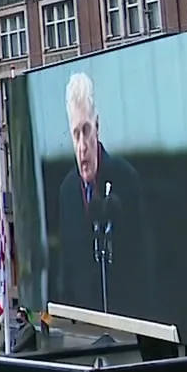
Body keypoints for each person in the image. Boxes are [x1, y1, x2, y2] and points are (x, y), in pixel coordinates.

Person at [54, 73, 146, 316]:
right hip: (86, 319)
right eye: (76, 134)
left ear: (97, 126)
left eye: (86, 130)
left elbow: (144, 262)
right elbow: (69, 263)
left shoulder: (128, 179)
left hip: (129, 314)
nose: (82, 145)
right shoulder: (66, 191)